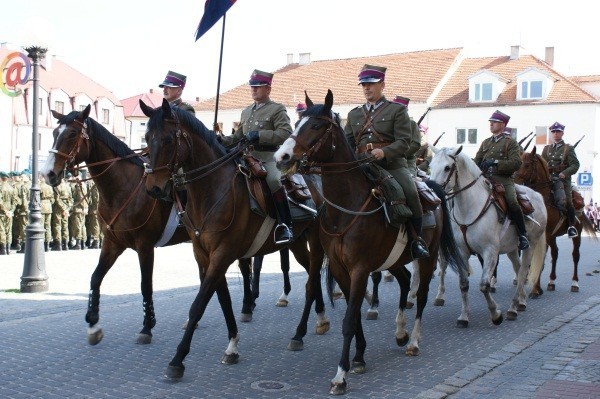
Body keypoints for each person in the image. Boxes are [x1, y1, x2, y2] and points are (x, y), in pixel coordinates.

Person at [343, 65, 429, 258]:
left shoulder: (396, 110)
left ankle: (416, 240)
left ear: (382, 85)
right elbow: (347, 142)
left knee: (411, 192)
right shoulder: (354, 114)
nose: (366, 88)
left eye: (371, 84)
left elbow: (404, 142)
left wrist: (385, 152)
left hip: (391, 165)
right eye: (364, 84)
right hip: (361, 163)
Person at [220, 69, 294, 244]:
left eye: (258, 87)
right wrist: (221, 140)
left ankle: (285, 225)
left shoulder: (277, 109)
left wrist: (260, 135)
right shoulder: (246, 111)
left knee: (274, 181)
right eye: (252, 87)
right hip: (246, 157)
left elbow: (285, 133)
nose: (254, 90)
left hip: (268, 157)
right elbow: (238, 136)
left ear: (268, 89)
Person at [473, 110, 528, 250]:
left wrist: (496, 162)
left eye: (494, 122)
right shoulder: (486, 142)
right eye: (490, 122)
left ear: (503, 124)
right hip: (484, 178)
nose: (491, 124)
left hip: (502, 179)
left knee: (512, 202)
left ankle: (522, 235)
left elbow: (516, 163)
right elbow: (477, 160)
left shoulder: (511, 143)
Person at [541, 122, 581, 238]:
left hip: (563, 180)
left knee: (567, 200)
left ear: (562, 133)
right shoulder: (546, 149)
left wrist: (564, 173)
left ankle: (571, 226)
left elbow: (575, 165)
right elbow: (543, 164)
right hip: (549, 179)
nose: (555, 134)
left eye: (558, 132)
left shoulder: (568, 148)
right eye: (553, 132)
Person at [392, 96, 422, 178]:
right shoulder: (388, 124)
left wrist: (397, 154)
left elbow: (415, 145)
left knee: (411, 183)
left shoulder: (412, 124)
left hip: (407, 162)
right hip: (387, 161)